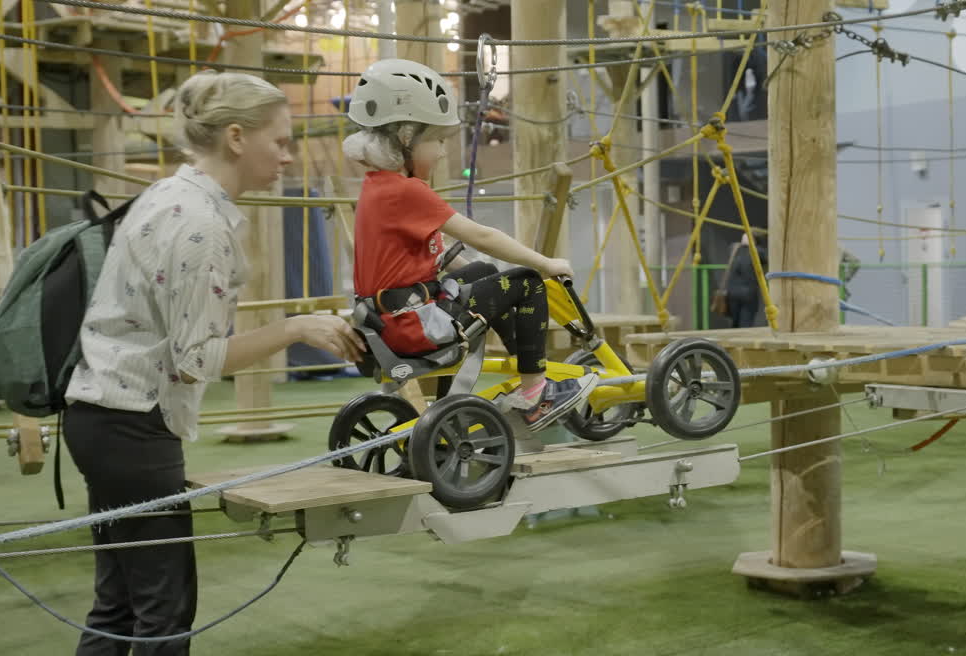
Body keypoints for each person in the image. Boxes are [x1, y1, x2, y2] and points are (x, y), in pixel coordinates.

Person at [61, 71, 364, 655]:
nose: (287, 155)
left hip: (102, 417)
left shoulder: (166, 196)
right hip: (131, 425)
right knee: (164, 613)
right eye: (278, 140)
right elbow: (197, 360)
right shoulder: (200, 225)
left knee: (120, 605)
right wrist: (297, 328)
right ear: (234, 137)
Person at [343, 58, 597, 431]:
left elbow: (418, 259)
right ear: (406, 136)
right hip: (414, 324)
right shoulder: (407, 191)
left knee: (485, 273)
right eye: (438, 141)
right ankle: (534, 395)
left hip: (392, 317)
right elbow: (481, 235)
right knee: (526, 282)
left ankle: (522, 359)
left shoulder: (377, 187)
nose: (443, 152)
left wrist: (477, 280)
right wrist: (546, 263)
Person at [723, 234, 767, 328]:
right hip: (748, 293)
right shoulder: (757, 251)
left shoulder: (734, 249)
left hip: (733, 292)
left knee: (735, 322)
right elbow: (765, 259)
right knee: (746, 322)